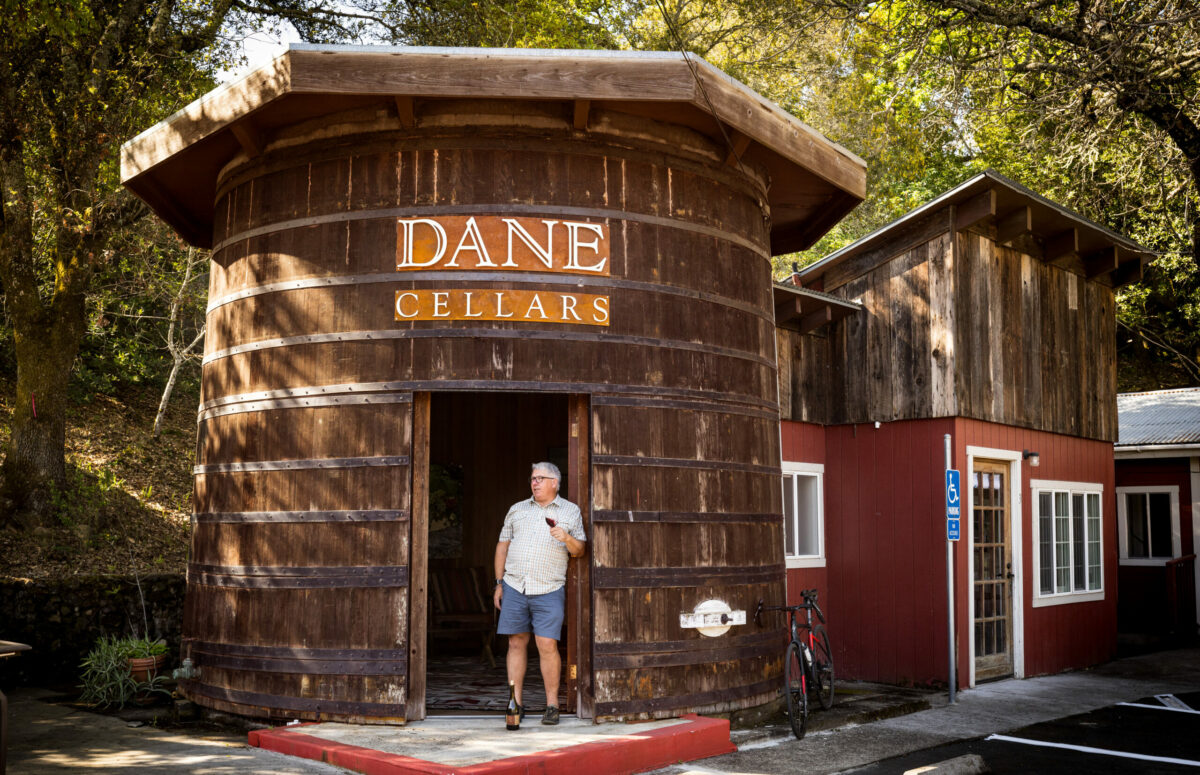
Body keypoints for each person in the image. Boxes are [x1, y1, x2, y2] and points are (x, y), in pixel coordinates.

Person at [493, 462, 586, 726]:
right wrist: (499, 583)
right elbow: (502, 547)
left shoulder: (570, 511)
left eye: (540, 478)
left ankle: (552, 705)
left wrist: (566, 538)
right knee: (515, 643)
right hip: (515, 586)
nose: (534, 482)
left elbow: (580, 550)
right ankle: (516, 704)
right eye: (533, 478)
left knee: (547, 645)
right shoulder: (517, 509)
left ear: (554, 482)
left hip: (548, 587)